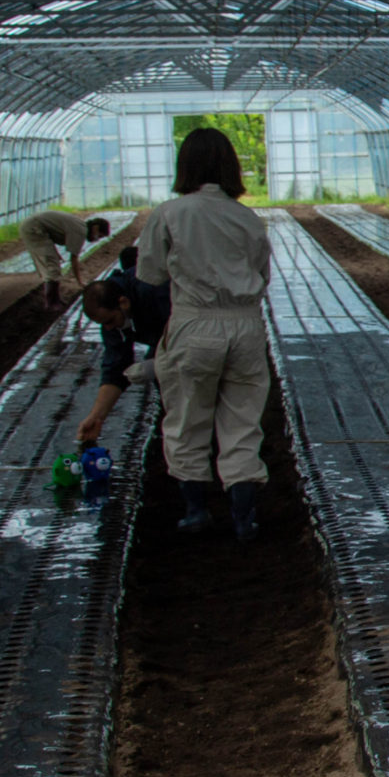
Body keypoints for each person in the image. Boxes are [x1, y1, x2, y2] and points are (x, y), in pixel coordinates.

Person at [136, 127, 273, 541]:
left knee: (187, 417)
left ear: (185, 166)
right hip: (246, 324)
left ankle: (195, 510)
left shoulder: (170, 213)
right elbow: (262, 275)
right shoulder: (248, 217)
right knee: (243, 420)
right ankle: (244, 517)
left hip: (195, 322)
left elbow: (150, 273)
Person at [73, 252, 172, 447]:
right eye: (104, 324)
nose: (109, 328)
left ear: (123, 303)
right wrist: (96, 417)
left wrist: (159, 364)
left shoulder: (155, 291)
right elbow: (116, 367)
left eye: (110, 321)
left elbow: (188, 340)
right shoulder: (113, 317)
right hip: (165, 336)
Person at [19, 208, 112, 309]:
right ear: (95, 228)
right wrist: (79, 281)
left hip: (36, 227)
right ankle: (51, 303)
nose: (97, 239)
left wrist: (55, 253)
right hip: (34, 229)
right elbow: (74, 259)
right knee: (52, 267)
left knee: (53, 264)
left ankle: (56, 300)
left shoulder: (81, 226)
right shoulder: (80, 231)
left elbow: (51, 232)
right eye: (99, 235)